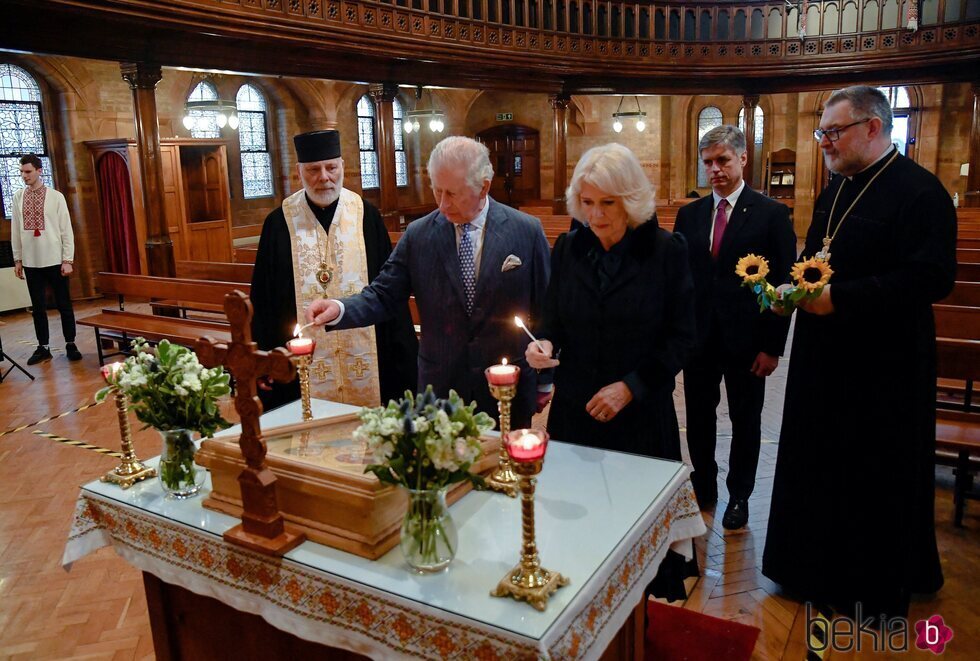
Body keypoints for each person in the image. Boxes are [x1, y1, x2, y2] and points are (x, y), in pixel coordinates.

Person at [762, 86, 955, 620]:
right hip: (824, 359)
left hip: (885, 366)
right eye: (821, 131)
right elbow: (813, 258)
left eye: (833, 131)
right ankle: (808, 570)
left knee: (871, 472)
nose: (823, 141)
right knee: (817, 461)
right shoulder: (835, 190)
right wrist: (791, 293)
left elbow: (932, 277)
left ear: (873, 127)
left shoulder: (922, 193)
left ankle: (863, 587)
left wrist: (841, 299)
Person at [525, 142, 697, 600]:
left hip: (639, 417)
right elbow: (552, 320)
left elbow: (682, 338)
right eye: (586, 202)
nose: (595, 216)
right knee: (578, 531)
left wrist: (631, 387)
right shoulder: (568, 247)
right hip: (576, 412)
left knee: (638, 537)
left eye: (607, 203)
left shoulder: (665, 250)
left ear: (631, 201)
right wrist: (543, 343)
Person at [307, 136, 550, 428]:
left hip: (507, 385)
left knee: (508, 470)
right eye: (437, 191)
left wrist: (545, 379)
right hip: (441, 386)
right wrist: (339, 308)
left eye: (453, 194)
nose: (443, 204)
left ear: (484, 186)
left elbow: (546, 310)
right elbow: (384, 294)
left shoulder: (526, 231)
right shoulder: (419, 235)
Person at [673, 125, 796, 529]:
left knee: (747, 420)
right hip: (699, 339)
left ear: (743, 159)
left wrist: (773, 347)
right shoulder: (689, 214)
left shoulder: (772, 214)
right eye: (708, 162)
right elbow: (681, 280)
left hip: (748, 342)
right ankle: (704, 485)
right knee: (700, 417)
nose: (715, 170)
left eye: (723, 160)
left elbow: (784, 288)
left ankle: (740, 494)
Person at [250, 129, 418, 410]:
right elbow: (263, 300)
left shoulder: (366, 216)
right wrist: (264, 359)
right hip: (300, 362)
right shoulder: (279, 223)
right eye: (314, 169)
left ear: (342, 167)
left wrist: (405, 356)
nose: (324, 177)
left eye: (331, 167)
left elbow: (390, 291)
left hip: (370, 357)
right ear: (299, 172)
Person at [12, 154, 82, 365]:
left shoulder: (56, 197)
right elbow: (16, 229)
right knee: (38, 307)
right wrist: (18, 259)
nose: (24, 176)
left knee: (64, 304)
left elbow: (66, 230)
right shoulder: (18, 197)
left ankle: (70, 343)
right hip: (31, 261)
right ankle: (43, 347)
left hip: (55, 259)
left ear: (39, 170)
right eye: (22, 172)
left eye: (28, 172)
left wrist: (67, 259)